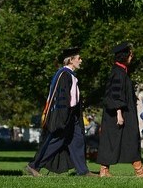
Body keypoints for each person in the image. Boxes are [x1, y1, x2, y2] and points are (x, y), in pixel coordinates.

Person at [25, 47, 94, 177]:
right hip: (64, 115)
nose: (81, 60)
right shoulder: (64, 75)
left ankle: (83, 171)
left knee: (77, 140)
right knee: (56, 141)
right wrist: (63, 118)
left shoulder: (70, 75)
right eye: (79, 58)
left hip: (72, 115)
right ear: (71, 60)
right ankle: (34, 166)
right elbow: (63, 100)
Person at [97, 42, 143, 177]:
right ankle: (139, 170)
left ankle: (105, 170)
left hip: (121, 113)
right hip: (119, 114)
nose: (131, 57)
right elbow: (115, 95)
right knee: (126, 139)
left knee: (121, 140)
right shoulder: (118, 73)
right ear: (125, 56)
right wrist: (119, 114)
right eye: (130, 54)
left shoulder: (120, 71)